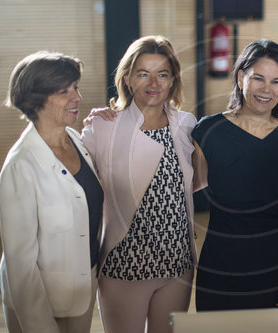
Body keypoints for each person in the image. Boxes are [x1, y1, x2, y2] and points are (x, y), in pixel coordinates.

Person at [81, 36, 197, 333]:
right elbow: (82, 194)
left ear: (173, 81)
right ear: (128, 78)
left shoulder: (187, 125)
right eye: (143, 73)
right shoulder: (102, 127)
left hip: (177, 265)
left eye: (162, 74)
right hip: (124, 266)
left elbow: (193, 182)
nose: (153, 83)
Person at [192, 39, 278, 310]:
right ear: (241, 77)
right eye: (258, 78)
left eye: (277, 81)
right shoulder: (208, 131)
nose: (266, 89)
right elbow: (187, 185)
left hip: (271, 263)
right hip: (218, 262)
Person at [0, 51, 103, 332]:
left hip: (81, 291)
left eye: (76, 88)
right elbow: (21, 267)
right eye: (64, 91)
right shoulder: (21, 165)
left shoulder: (76, 140)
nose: (77, 97)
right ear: (37, 99)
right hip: (38, 305)